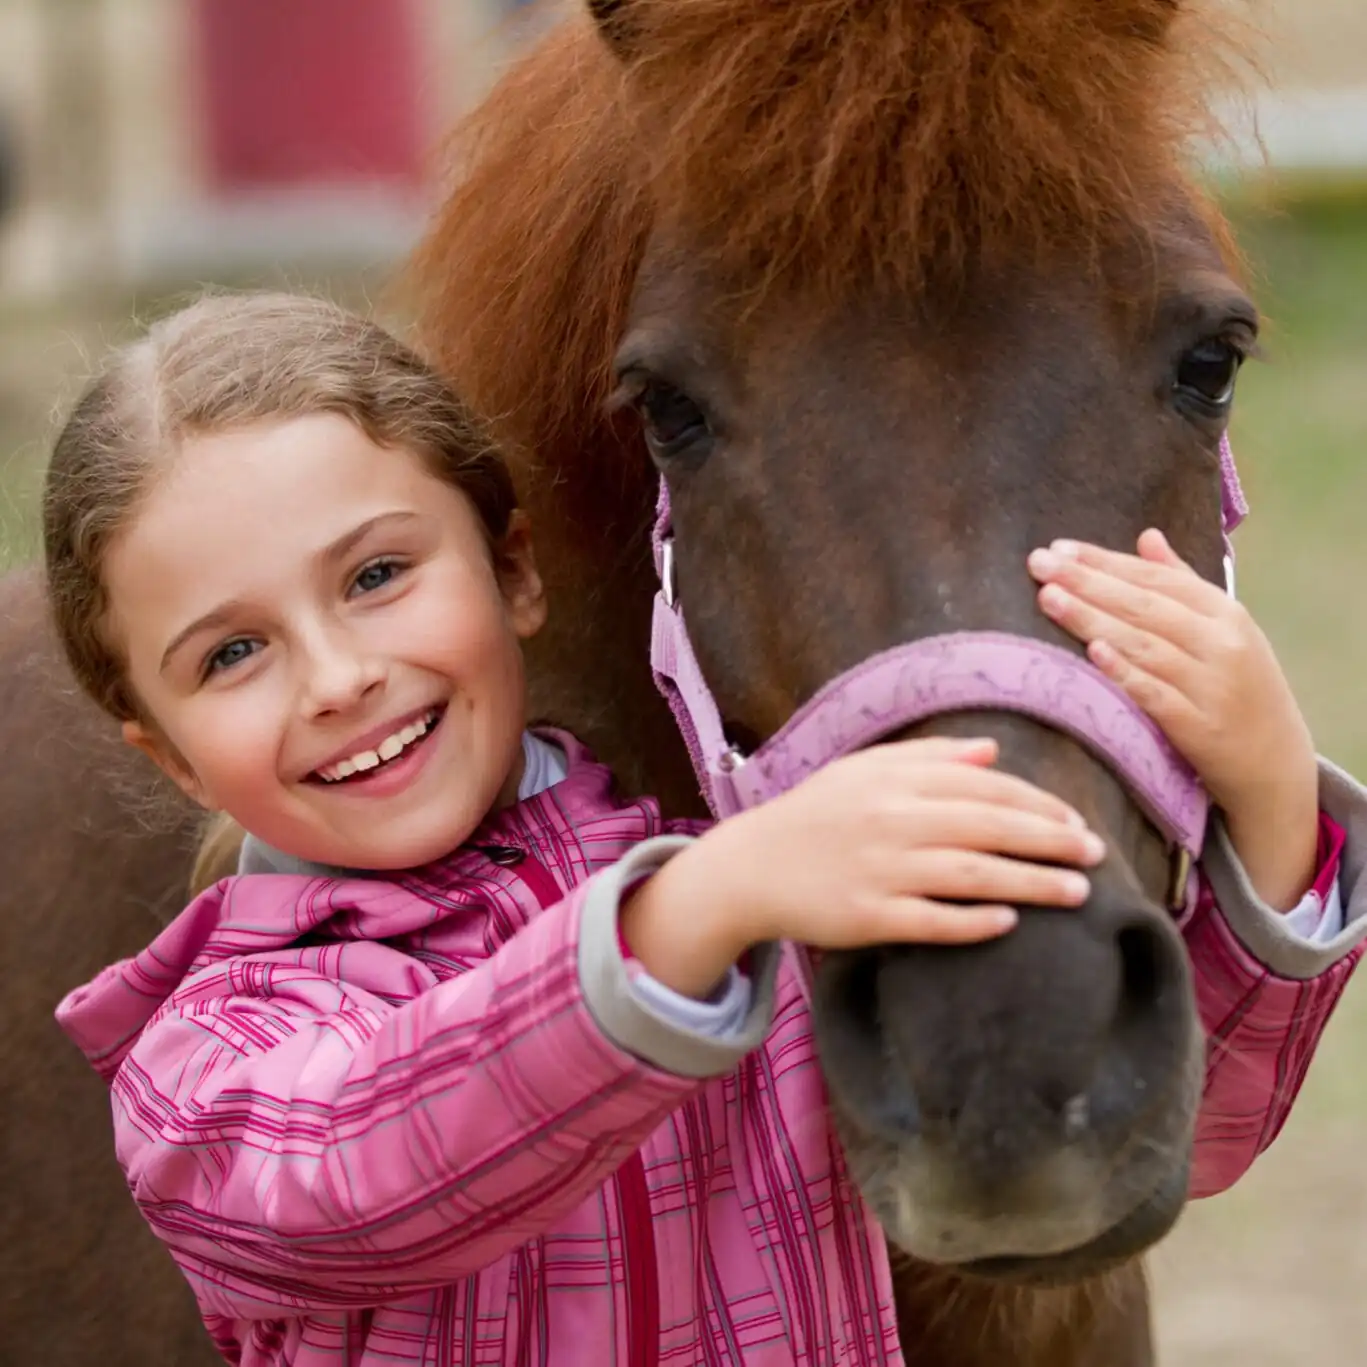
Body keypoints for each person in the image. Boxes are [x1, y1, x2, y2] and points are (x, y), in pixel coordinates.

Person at [45, 292, 1364, 1365]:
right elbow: (344, 1182)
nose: (337, 677)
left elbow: (1154, 1135)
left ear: (515, 570)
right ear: (169, 754)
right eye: (231, 653)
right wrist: (687, 917)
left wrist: (1261, 800)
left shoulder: (759, 901)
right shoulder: (211, 1057)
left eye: (377, 576)